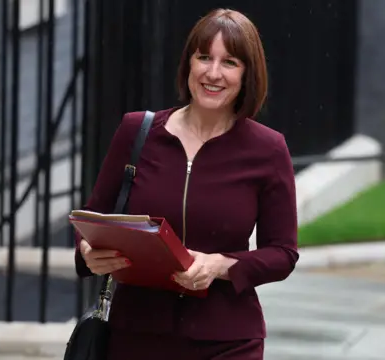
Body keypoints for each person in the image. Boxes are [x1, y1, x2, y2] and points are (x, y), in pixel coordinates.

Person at [74, 8, 299, 360]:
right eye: (204, 57)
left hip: (227, 341)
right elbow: (92, 217)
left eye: (230, 62)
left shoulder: (268, 149)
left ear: (247, 74)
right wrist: (89, 253)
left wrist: (220, 266)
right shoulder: (137, 132)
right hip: (136, 335)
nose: (213, 73)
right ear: (188, 63)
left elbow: (282, 254)